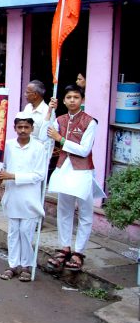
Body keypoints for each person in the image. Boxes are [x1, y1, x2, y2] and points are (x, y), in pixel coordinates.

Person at [40, 85, 105, 272]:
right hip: (63, 169)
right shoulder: (60, 119)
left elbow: (84, 150)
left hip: (83, 171)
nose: (72, 100)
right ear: (64, 100)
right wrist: (50, 110)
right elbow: (44, 136)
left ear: (82, 99)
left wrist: (61, 139)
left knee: (85, 213)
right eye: (68, 97)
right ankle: (64, 248)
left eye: (76, 97)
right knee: (64, 210)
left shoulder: (90, 122)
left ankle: (79, 252)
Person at [0, 113, 47, 282]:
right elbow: (0, 167)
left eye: (26, 127)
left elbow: (39, 174)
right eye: (20, 127)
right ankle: (13, 265)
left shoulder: (39, 147)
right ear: (15, 128)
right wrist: (0, 178)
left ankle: (26, 265)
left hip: (30, 197)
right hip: (12, 196)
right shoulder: (8, 146)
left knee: (26, 232)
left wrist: (13, 176)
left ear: (32, 129)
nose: (23, 130)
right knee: (13, 232)